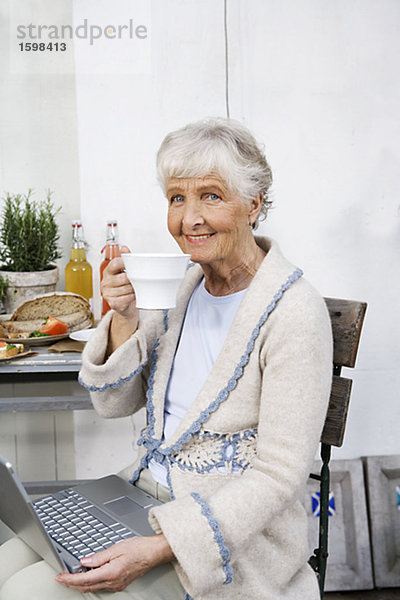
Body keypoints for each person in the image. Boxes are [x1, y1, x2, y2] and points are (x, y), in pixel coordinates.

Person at [0, 118, 332, 600]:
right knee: (6, 564)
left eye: (211, 196)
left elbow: (279, 475)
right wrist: (123, 317)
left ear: (253, 204)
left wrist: (162, 545)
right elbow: (113, 405)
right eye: (177, 198)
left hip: (228, 540)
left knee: (29, 592)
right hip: (141, 496)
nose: (189, 218)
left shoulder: (294, 311)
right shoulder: (184, 287)